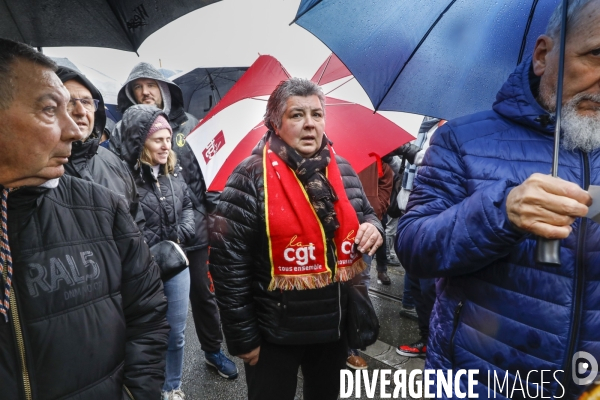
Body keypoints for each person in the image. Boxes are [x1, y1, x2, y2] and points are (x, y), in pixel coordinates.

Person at [396, 1, 600, 398]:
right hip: (483, 380)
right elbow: (413, 245)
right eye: (596, 55)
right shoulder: (463, 139)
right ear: (543, 56)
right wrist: (500, 213)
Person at [0, 38, 168, 399]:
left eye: (83, 105)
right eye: (49, 110)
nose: (75, 129)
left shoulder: (103, 208)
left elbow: (147, 313)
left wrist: (137, 393)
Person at [209, 78, 383, 400]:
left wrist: (374, 228)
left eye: (317, 115)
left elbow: (367, 215)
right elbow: (228, 266)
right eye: (296, 115)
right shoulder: (250, 177)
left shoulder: (342, 169)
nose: (309, 125)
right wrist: (244, 338)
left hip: (333, 330)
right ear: (276, 122)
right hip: (275, 334)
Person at [111, 62, 238, 379]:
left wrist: (214, 214)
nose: (144, 92)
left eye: (150, 85)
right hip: (146, 234)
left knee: (203, 295)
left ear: (165, 90)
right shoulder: (124, 133)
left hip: (191, 231)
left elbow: (207, 177)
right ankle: (149, 369)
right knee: (146, 303)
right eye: (137, 87)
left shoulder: (190, 126)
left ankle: (212, 350)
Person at [119, 105, 195, 400]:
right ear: (142, 144)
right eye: (158, 140)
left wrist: (180, 237)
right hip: (142, 270)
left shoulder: (173, 174)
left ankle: (171, 386)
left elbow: (188, 206)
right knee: (145, 334)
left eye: (168, 139)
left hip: (177, 266)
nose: (166, 145)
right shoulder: (127, 177)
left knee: (176, 334)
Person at [56, 66, 144, 230]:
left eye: (86, 102)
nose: (81, 111)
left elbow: (135, 223)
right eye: (69, 101)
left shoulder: (113, 162)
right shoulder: (36, 169)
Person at [358, 157, 394, 285]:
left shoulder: (377, 155)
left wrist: (378, 206)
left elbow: (387, 179)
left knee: (362, 274)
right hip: (343, 219)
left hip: (369, 216)